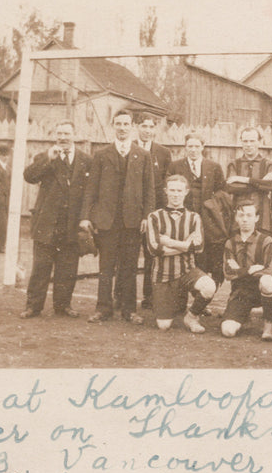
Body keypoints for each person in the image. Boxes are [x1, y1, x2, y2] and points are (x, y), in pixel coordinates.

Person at [81, 109, 155, 324]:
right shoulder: (102, 155)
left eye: (126, 124)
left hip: (132, 222)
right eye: (118, 124)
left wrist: (146, 216)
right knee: (106, 267)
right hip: (107, 221)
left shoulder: (143, 155)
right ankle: (103, 309)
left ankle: (129, 310)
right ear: (113, 125)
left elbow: (149, 189)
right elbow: (91, 189)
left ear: (132, 126)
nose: (122, 128)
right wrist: (86, 216)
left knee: (130, 267)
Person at [20, 122, 93, 318]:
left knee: (68, 268)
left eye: (67, 133)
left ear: (74, 135)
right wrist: (48, 159)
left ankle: (63, 306)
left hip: (71, 223)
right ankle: (33, 306)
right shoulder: (45, 157)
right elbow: (29, 177)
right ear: (55, 136)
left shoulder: (86, 160)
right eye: (59, 133)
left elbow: (89, 193)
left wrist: (85, 218)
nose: (63, 137)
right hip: (48, 222)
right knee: (41, 267)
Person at [145, 175, 216, 333]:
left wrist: (169, 242)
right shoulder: (154, 217)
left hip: (187, 271)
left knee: (209, 286)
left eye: (179, 190)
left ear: (186, 192)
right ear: (165, 192)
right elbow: (154, 249)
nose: (175, 194)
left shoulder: (194, 217)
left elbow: (198, 247)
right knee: (164, 325)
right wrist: (186, 245)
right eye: (172, 190)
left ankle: (191, 316)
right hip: (163, 275)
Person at [167, 132, 227, 285]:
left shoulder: (213, 166)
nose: (193, 150)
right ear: (185, 148)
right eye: (190, 146)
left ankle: (208, 292)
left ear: (202, 147)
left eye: (196, 146)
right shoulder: (175, 166)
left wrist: (211, 203)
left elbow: (222, 190)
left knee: (210, 253)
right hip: (185, 217)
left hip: (208, 218)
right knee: (188, 252)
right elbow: (167, 188)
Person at [221, 200, 272, 340]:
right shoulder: (231, 243)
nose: (245, 219)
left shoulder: (266, 241)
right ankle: (242, 316)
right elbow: (228, 273)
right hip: (240, 293)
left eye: (249, 215)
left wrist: (240, 271)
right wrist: (251, 269)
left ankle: (268, 324)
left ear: (257, 218)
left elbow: (269, 270)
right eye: (241, 215)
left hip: (260, 290)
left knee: (267, 281)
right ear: (236, 218)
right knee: (228, 331)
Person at [136, 113, 173, 310]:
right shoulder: (129, 148)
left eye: (151, 127)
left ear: (155, 129)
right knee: (127, 254)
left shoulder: (163, 153)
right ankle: (121, 296)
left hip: (155, 211)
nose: (147, 130)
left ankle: (149, 297)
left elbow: (165, 183)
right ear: (137, 127)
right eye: (143, 126)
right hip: (132, 210)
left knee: (152, 253)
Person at [225, 127, 272, 235]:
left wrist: (244, 180)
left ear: (259, 142)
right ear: (241, 142)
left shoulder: (269, 164)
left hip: (263, 220)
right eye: (245, 141)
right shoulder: (234, 164)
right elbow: (231, 188)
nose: (248, 145)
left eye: (252, 141)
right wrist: (261, 183)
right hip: (239, 220)